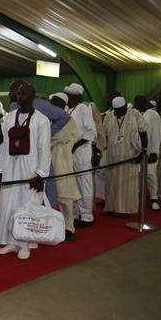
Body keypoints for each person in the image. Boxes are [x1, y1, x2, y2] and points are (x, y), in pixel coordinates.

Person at [0, 83, 50, 260]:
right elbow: (3, 146)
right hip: (11, 168)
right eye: (19, 94)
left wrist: (41, 174)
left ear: (33, 96)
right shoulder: (10, 118)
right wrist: (0, 170)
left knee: (27, 206)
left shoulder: (41, 120)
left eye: (25, 94)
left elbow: (44, 149)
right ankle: (11, 242)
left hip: (31, 169)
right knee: (9, 204)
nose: (21, 97)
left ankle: (25, 245)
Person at [102, 97, 148, 217]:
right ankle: (111, 207)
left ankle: (125, 210)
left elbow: (143, 133)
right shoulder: (109, 116)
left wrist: (143, 151)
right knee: (112, 182)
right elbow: (104, 133)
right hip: (113, 156)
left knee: (127, 184)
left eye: (119, 110)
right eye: (115, 110)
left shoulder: (134, 114)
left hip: (130, 155)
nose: (116, 113)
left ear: (125, 107)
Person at [48, 93, 82, 241]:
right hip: (46, 162)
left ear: (63, 105)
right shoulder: (47, 119)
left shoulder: (69, 121)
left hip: (61, 160)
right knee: (46, 196)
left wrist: (41, 140)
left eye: (55, 102)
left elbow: (57, 138)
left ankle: (69, 227)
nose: (52, 105)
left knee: (65, 196)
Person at [64, 83, 97, 227]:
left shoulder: (83, 108)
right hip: (70, 151)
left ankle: (87, 216)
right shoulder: (67, 108)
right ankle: (76, 213)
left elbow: (91, 132)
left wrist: (75, 146)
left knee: (85, 184)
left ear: (77, 97)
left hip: (82, 151)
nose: (68, 98)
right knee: (74, 184)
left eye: (70, 96)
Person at [135, 95, 161, 209]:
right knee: (136, 175)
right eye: (137, 102)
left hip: (150, 149)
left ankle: (154, 197)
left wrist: (154, 152)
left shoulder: (153, 114)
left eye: (141, 101)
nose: (139, 104)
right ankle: (136, 198)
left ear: (146, 102)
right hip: (136, 150)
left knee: (151, 174)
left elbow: (156, 133)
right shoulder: (134, 113)